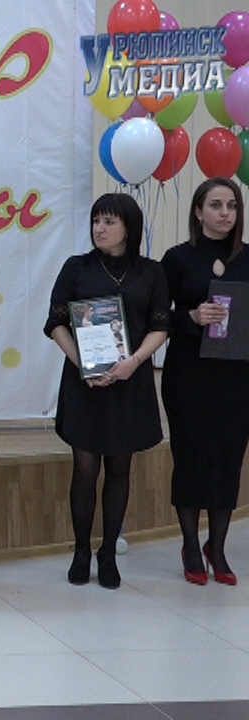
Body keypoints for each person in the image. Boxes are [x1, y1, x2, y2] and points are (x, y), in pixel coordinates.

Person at [45, 193, 169, 589]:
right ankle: (81, 550)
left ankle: (108, 552)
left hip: (129, 382)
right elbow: (55, 322)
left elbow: (160, 326)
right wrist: (81, 362)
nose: (99, 228)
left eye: (109, 221)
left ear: (128, 227)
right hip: (85, 384)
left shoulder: (151, 272)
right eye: (96, 220)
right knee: (84, 470)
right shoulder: (76, 267)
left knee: (119, 468)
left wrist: (134, 361)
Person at [161, 177, 248, 586]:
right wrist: (192, 317)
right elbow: (156, 317)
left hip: (237, 377)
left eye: (232, 205)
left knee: (229, 459)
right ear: (198, 212)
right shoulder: (177, 259)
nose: (224, 213)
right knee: (191, 457)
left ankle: (218, 546)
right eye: (215, 205)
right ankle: (191, 546)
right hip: (188, 374)